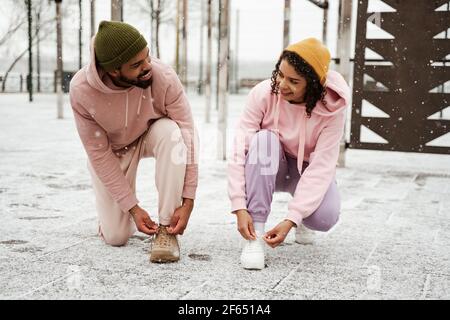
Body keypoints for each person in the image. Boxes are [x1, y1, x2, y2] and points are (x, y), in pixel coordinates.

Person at [69, 21, 198, 263]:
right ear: (114, 71)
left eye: (147, 56)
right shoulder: (81, 90)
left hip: (150, 134)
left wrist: (188, 199)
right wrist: (133, 208)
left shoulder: (164, 77)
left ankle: (166, 228)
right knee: (116, 236)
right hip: (113, 150)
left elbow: (188, 133)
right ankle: (117, 217)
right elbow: (98, 154)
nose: (148, 67)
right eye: (137, 65)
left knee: (173, 133)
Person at [228, 38, 350, 270]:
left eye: (293, 81)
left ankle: (304, 216)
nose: (282, 84)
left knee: (324, 219)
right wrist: (239, 206)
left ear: (313, 85)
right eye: (280, 74)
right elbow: (239, 151)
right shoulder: (263, 93)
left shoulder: (333, 110)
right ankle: (256, 236)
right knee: (264, 140)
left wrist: (293, 218)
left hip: (305, 171)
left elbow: (322, 166)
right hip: (268, 167)